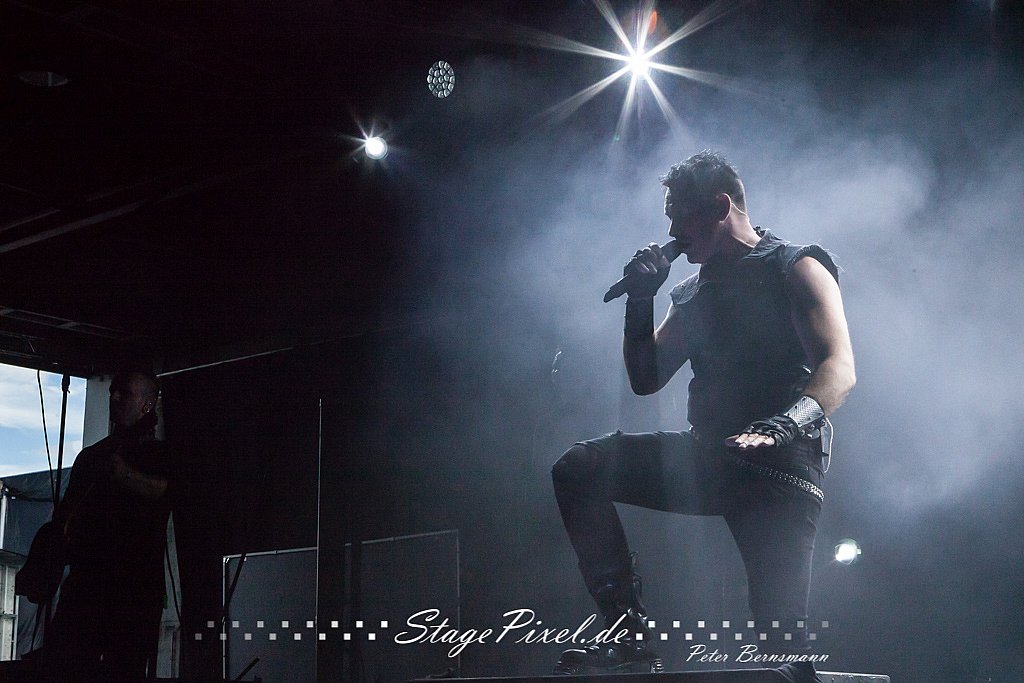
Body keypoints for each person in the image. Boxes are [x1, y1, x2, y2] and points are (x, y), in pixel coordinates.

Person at [551, 151, 855, 682]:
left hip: (779, 470)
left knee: (782, 652)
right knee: (579, 468)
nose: (670, 231)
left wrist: (782, 426)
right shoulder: (692, 293)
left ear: (720, 207)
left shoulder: (795, 266)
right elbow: (646, 379)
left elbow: (839, 366)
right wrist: (640, 300)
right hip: (710, 457)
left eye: (679, 216)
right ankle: (628, 634)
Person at [44, 369, 172, 681]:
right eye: (113, 391)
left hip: (129, 593)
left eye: (124, 392)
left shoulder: (159, 456)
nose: (113, 397)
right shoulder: (93, 457)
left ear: (146, 405)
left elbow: (167, 492)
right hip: (94, 589)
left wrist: (125, 475)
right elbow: (66, 517)